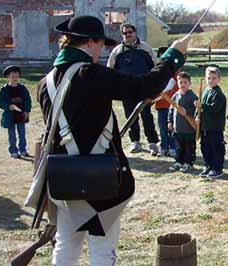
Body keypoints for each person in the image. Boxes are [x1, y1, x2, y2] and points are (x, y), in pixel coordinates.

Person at [25, 15, 188, 265]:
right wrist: (172, 57)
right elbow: (144, 85)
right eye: (100, 44)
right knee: (102, 250)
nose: (101, 50)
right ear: (90, 42)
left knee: (66, 247)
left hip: (65, 178)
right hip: (99, 178)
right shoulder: (91, 75)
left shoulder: (44, 83)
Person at [107, 23, 160, 155]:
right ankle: (135, 142)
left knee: (147, 116)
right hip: (127, 90)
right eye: (125, 33)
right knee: (130, 117)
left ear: (135, 32)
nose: (128, 35)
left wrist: (154, 85)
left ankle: (152, 143)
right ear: (122, 34)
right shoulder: (117, 51)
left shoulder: (146, 48)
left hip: (144, 89)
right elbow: (110, 70)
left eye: (130, 32)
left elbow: (156, 66)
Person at [197, 66, 227, 179]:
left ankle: (217, 168)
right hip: (205, 127)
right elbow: (199, 108)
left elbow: (214, 108)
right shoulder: (206, 91)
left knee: (216, 148)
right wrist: (197, 116)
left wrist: (202, 106)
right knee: (205, 147)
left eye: (214, 78)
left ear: (219, 79)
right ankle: (208, 165)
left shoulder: (218, 94)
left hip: (215, 127)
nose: (211, 80)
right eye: (209, 78)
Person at [0, 65, 32, 159]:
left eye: (16, 76)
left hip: (20, 115)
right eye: (12, 76)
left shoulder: (23, 88)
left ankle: (23, 150)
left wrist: (27, 111)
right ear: (8, 77)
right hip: (10, 115)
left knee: (22, 134)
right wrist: (8, 106)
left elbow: (28, 100)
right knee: (12, 135)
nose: (15, 78)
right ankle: (13, 151)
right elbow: (0, 102)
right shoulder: (4, 90)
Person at [167, 72, 198, 172]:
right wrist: (170, 121)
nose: (183, 84)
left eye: (185, 82)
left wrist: (187, 112)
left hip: (189, 128)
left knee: (189, 147)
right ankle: (178, 161)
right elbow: (171, 109)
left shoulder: (192, 97)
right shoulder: (175, 96)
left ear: (189, 83)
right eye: (181, 82)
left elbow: (196, 111)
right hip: (178, 128)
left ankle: (188, 163)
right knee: (179, 147)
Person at [154, 74, 179, 157]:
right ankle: (163, 147)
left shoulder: (177, 74)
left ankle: (173, 147)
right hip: (161, 106)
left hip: (173, 106)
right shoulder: (159, 75)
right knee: (162, 128)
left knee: (172, 128)